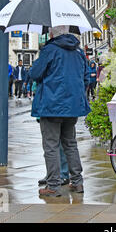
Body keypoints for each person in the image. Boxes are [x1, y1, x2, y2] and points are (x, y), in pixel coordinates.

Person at [30, 25, 90, 197]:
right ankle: (77, 182)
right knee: (70, 143)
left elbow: (35, 73)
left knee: (51, 145)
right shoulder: (78, 52)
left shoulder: (50, 50)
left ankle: (53, 186)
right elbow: (86, 77)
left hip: (52, 105)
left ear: (52, 33)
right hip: (72, 106)